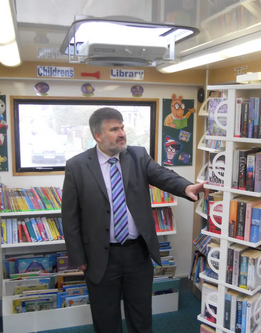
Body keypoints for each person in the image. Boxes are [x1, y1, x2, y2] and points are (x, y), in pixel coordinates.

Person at [62, 107, 206, 333]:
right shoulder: (77, 166)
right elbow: (70, 217)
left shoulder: (138, 155)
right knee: (105, 318)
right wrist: (78, 256)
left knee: (140, 316)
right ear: (98, 136)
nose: (121, 133)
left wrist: (186, 186)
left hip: (137, 253)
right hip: (100, 256)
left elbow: (161, 175)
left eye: (122, 127)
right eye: (114, 129)